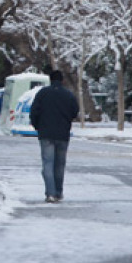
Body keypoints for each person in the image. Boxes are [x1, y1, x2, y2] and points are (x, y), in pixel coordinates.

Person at [28, 70, 79, 203]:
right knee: (60, 164)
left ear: (50, 80)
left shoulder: (42, 93)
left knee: (48, 163)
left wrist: (37, 126)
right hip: (63, 134)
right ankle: (58, 192)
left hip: (46, 133)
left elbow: (34, 112)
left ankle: (50, 193)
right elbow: (75, 111)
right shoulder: (68, 95)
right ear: (62, 80)